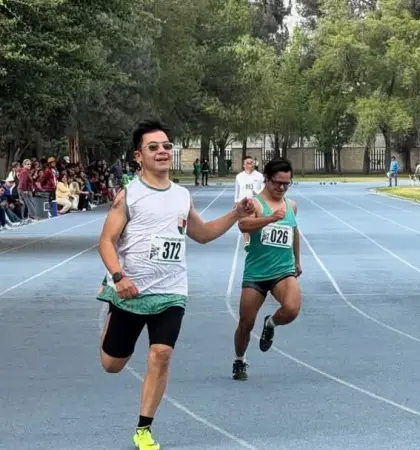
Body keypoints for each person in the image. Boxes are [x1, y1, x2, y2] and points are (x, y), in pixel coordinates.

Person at [96, 119, 255, 450]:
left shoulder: (182, 195)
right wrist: (118, 278)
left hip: (171, 291)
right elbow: (107, 242)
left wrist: (236, 213)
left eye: (166, 146)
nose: (162, 152)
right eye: (153, 147)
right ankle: (110, 311)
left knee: (162, 354)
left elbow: (203, 234)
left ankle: (143, 429)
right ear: (138, 156)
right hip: (130, 291)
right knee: (112, 365)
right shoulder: (129, 195)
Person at [232, 157, 302, 381]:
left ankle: (270, 323)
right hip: (257, 273)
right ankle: (239, 359)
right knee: (245, 323)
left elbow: (294, 232)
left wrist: (297, 260)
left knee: (291, 309)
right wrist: (270, 218)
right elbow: (243, 225)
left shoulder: (291, 206)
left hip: (283, 269)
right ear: (267, 180)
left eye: (286, 184)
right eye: (277, 183)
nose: (281, 188)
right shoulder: (254, 204)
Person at [234, 156, 264, 251]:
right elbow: (237, 190)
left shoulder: (259, 176)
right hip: (243, 202)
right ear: (244, 165)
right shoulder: (239, 176)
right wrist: (236, 201)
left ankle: (256, 240)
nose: (250, 164)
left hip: (256, 202)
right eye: (248, 163)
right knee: (244, 222)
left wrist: (258, 194)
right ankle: (247, 242)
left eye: (252, 162)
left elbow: (263, 188)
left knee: (256, 223)